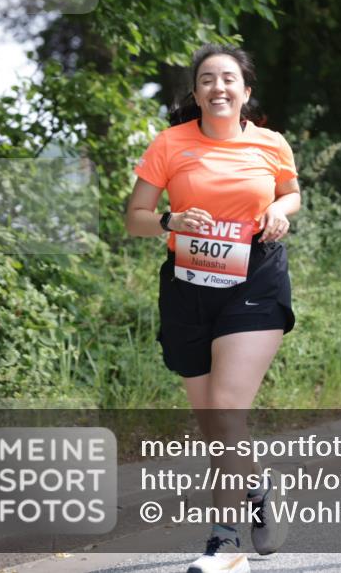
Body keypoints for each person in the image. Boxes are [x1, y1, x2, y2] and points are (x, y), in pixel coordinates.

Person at [126, 44, 300, 573]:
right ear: (196, 92)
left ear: (245, 92)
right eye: (207, 79)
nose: (218, 87)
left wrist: (279, 209)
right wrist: (170, 222)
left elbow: (291, 194)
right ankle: (259, 486)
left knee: (225, 411)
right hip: (188, 285)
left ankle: (225, 543)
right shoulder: (171, 143)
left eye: (228, 79)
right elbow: (135, 216)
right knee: (214, 424)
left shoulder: (271, 143)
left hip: (255, 279)